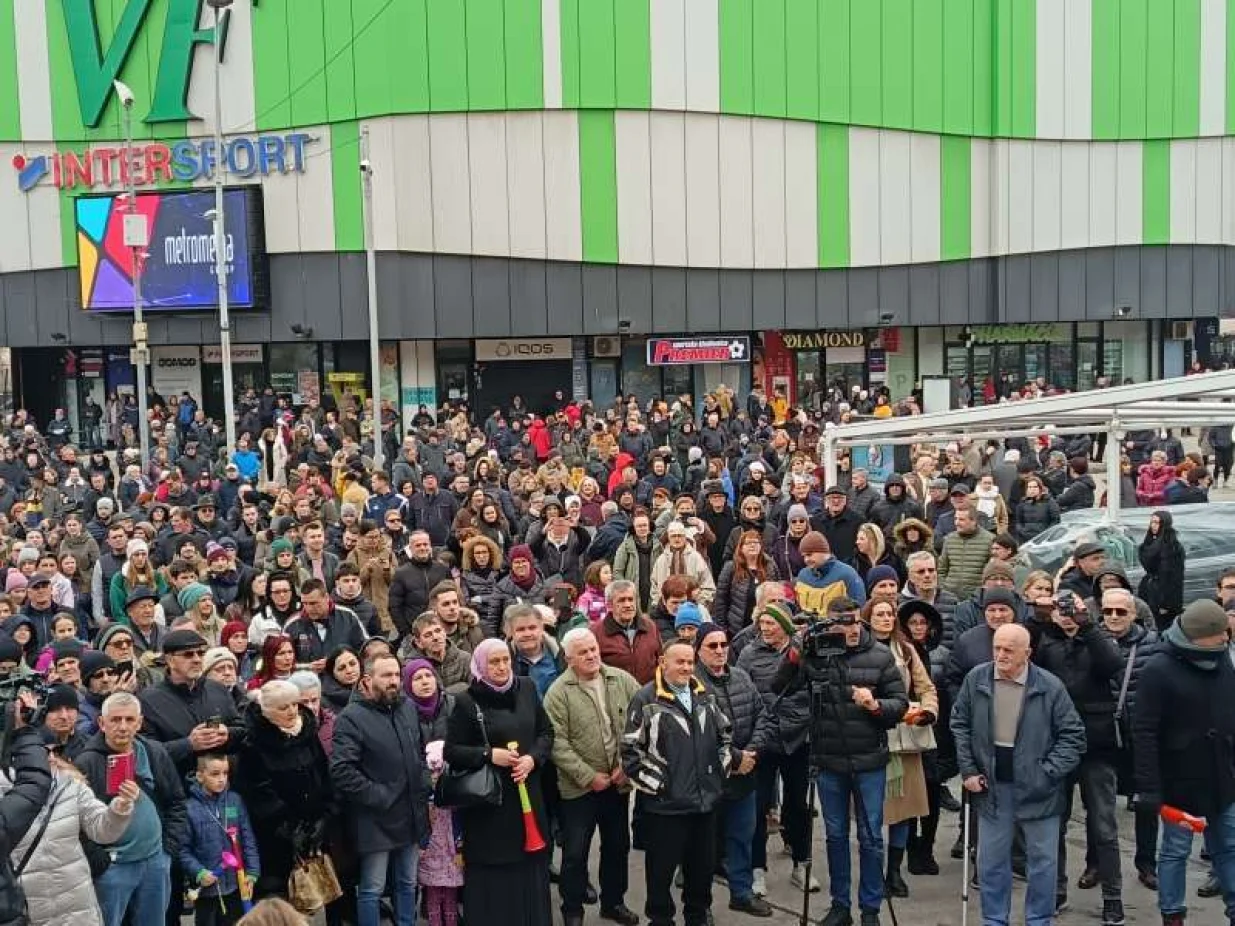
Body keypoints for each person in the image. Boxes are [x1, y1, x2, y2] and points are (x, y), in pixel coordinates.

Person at [771, 597, 908, 926]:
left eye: (853, 622)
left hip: (869, 760)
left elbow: (900, 703)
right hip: (828, 760)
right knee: (835, 836)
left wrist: (875, 705)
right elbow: (779, 686)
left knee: (871, 837)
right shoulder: (817, 654)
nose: (849, 629)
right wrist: (796, 652)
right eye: (841, 623)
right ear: (829, 624)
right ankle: (840, 905)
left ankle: (870, 909)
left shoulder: (879, 655)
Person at [951, 624, 1086, 926]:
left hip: (1040, 789)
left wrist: (1047, 772)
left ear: (1027, 653)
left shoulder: (1049, 686)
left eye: (1008, 650)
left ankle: (1039, 920)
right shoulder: (977, 679)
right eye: (996, 648)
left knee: (1043, 863)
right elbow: (959, 724)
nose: (1000, 655)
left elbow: (1073, 736)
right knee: (991, 862)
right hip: (992, 786)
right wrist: (968, 769)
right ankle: (994, 920)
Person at [1133, 599, 1235, 926]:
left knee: (1230, 847)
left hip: (1222, 776)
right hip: (1178, 781)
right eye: (1220, 633)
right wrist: (1149, 788)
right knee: (1175, 851)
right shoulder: (1158, 669)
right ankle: (1172, 913)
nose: (1226, 638)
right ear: (1200, 635)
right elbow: (1144, 732)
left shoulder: (1221, 659)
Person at [1027, 591, 1125, 922]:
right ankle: (1055, 890)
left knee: (1104, 826)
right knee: (1054, 823)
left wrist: (1087, 626)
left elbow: (1113, 665)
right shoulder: (1046, 641)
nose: (1067, 615)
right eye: (1061, 609)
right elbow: (1029, 670)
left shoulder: (1095, 639)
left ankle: (1112, 896)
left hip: (1097, 746)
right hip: (1055, 744)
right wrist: (1041, 618)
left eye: (1074, 609)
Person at [622, 638, 735, 926]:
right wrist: (661, 787)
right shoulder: (645, 699)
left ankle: (698, 917)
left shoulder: (705, 695)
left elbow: (725, 736)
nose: (686, 668)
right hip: (665, 810)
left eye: (690, 662)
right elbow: (631, 753)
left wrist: (717, 775)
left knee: (701, 872)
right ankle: (660, 920)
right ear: (663, 663)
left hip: (704, 805)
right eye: (679, 662)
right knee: (660, 875)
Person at [444, 638, 555, 926]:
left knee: (530, 870)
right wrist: (489, 754)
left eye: (506, 659)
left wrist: (532, 759)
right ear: (481, 665)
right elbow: (451, 752)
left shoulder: (527, 687)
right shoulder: (467, 701)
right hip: (491, 808)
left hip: (527, 796)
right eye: (494, 662)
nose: (502, 666)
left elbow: (545, 732)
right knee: (496, 880)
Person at [543, 628, 641, 926]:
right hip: (578, 789)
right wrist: (588, 776)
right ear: (569, 658)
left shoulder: (621, 679)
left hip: (617, 783)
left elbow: (644, 720)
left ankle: (614, 903)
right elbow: (556, 743)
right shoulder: (558, 692)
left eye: (593, 649)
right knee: (575, 853)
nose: (591, 655)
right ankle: (572, 910)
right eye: (583, 652)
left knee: (617, 846)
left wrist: (627, 765)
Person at [331, 654, 431, 926]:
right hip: (375, 817)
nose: (394, 681)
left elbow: (419, 751)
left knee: (408, 882)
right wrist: (379, 796)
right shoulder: (351, 718)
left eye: (397, 675)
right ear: (367, 680)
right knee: (372, 888)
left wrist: (423, 781)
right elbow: (342, 770)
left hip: (410, 812)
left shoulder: (407, 707)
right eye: (386, 675)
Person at [75, 692, 189, 926]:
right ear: (101, 723)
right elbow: (78, 821)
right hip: (114, 865)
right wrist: (101, 862)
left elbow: (176, 801)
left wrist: (168, 849)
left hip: (155, 860)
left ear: (139, 722)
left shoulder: (155, 752)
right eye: (115, 720)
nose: (123, 726)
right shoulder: (86, 762)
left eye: (129, 719)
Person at [694, 622, 773, 917]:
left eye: (723, 645)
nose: (719, 651)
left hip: (745, 776)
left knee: (742, 837)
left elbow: (762, 716)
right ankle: (700, 905)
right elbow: (700, 733)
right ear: (698, 650)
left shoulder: (741, 676)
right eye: (712, 646)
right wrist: (736, 758)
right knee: (704, 847)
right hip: (709, 778)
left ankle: (741, 893)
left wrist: (751, 752)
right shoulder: (693, 684)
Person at [235, 680, 335, 900]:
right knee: (280, 900)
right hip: (274, 838)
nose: (291, 711)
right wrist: (290, 828)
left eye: (294, 704)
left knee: (315, 897)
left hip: (313, 830)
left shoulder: (307, 733)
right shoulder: (253, 744)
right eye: (283, 707)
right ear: (267, 712)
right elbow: (258, 794)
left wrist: (323, 818)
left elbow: (324, 775)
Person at [180, 754, 260, 926]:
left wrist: (252, 873)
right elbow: (183, 850)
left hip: (236, 885)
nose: (222, 779)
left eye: (225, 773)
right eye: (215, 774)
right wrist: (199, 872)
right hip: (207, 890)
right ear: (200, 776)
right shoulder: (189, 808)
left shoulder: (235, 801)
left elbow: (248, 840)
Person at [1137, 510, 1186, 631]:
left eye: (1157, 522)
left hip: (1163, 594)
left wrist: (1167, 603)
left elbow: (1174, 578)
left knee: (1161, 625)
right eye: (1152, 522)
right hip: (1149, 589)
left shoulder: (1172, 547)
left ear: (1164, 524)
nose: (1153, 525)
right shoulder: (1149, 543)